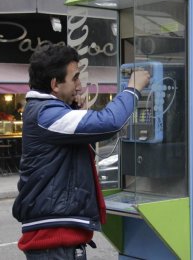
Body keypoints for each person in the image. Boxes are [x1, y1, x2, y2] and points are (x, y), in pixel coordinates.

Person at [12, 44, 150, 260]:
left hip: (58, 239)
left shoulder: (47, 112)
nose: (79, 86)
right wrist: (133, 89)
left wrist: (74, 109)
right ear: (55, 84)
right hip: (53, 242)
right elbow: (109, 122)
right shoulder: (46, 115)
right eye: (75, 78)